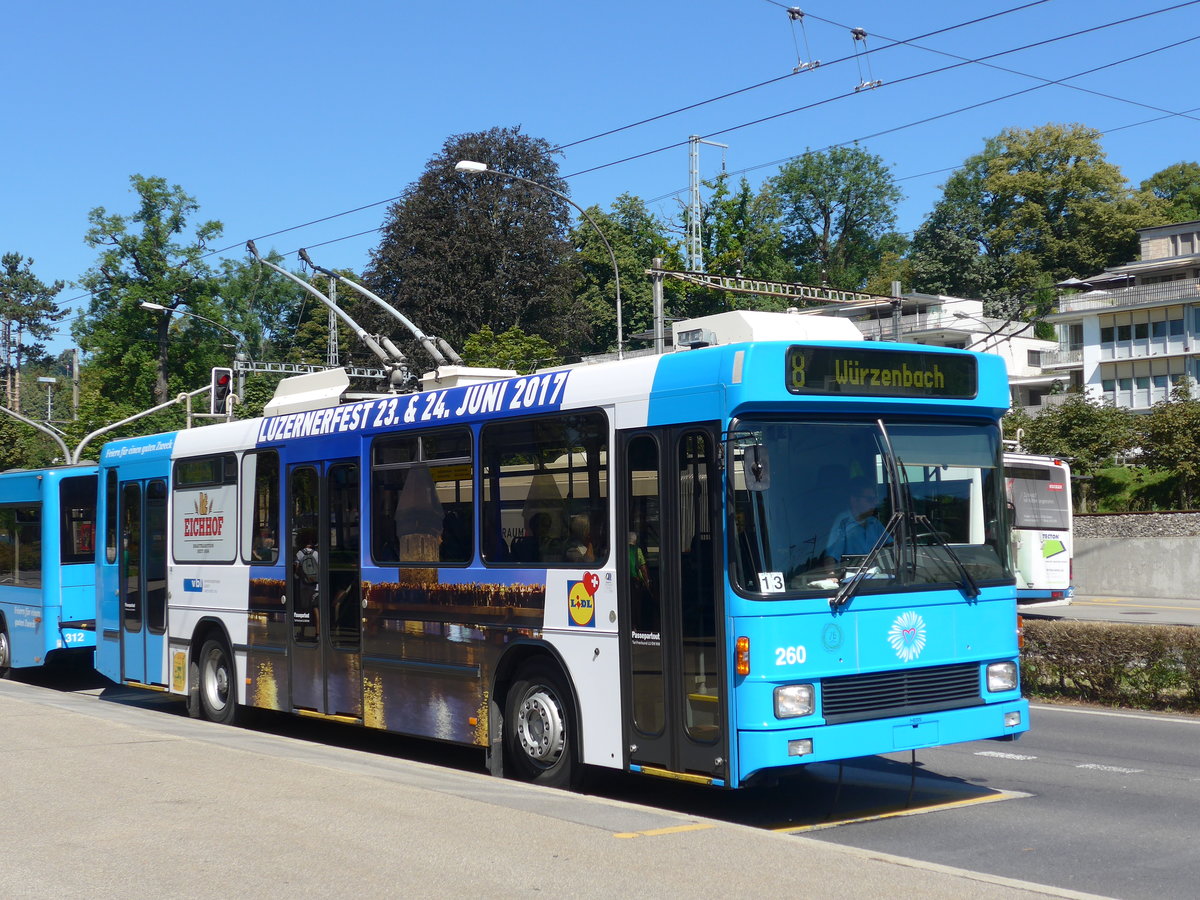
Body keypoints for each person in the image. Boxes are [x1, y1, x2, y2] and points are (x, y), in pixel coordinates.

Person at [822, 480, 886, 566]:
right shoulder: (843, 522)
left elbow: (889, 547)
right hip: (851, 577)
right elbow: (831, 557)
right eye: (870, 499)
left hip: (876, 576)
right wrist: (832, 575)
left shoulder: (874, 522)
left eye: (875, 499)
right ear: (854, 500)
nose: (876, 503)